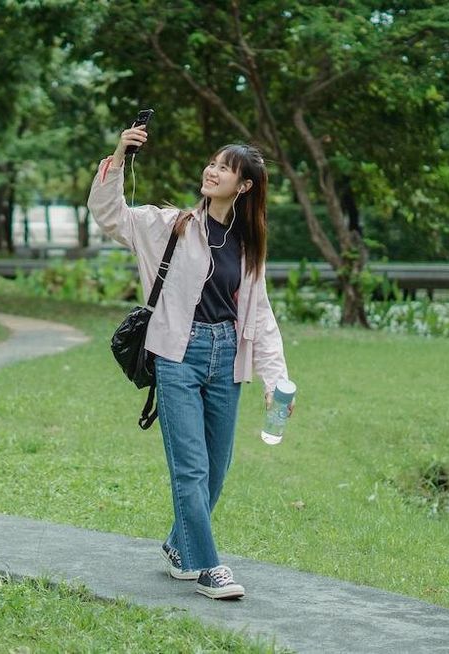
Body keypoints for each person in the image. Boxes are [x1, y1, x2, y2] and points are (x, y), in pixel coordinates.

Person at [87, 125, 292, 600]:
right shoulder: (171, 225)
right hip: (178, 354)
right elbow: (109, 213)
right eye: (213, 162)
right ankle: (206, 565)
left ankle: (180, 546)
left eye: (224, 167)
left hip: (227, 358)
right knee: (191, 468)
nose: (212, 170)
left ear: (243, 186)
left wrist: (274, 379)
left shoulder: (248, 245)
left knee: (217, 467)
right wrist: (119, 154)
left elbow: (260, 316)